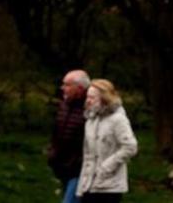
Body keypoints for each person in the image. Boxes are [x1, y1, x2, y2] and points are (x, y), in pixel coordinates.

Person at [77, 79, 139, 202]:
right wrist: (81, 186)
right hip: (88, 184)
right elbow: (88, 155)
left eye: (92, 98)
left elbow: (130, 147)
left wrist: (106, 167)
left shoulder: (118, 119)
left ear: (104, 99)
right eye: (87, 97)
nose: (88, 101)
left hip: (110, 186)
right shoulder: (90, 119)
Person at [48, 69, 91, 203]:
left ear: (79, 88)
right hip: (62, 166)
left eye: (67, 85)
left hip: (80, 169)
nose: (62, 88)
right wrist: (52, 153)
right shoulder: (64, 105)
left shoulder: (91, 108)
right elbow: (56, 133)